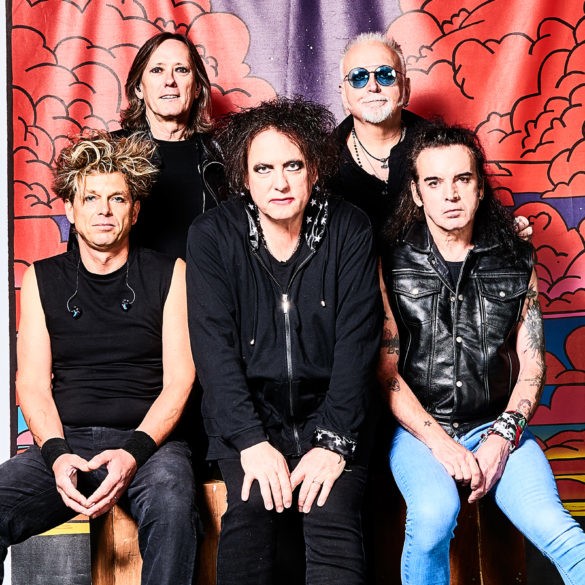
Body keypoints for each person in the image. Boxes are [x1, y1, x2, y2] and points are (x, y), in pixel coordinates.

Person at [378, 121, 585, 585]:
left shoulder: (516, 256)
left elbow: (533, 363)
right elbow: (386, 372)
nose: (450, 194)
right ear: (416, 193)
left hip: (496, 423)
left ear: (479, 187)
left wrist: (501, 438)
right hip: (419, 431)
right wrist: (441, 444)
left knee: (557, 529)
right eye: (434, 182)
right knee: (433, 516)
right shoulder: (390, 259)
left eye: (462, 179)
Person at [186, 96, 382, 585]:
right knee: (250, 514)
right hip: (249, 418)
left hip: (333, 415)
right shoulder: (212, 235)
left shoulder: (350, 227)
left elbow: (358, 346)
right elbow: (213, 352)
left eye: (293, 165)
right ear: (244, 177)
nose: (280, 182)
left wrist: (333, 442)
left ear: (313, 169)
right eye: (264, 168)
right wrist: (251, 442)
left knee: (333, 517)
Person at [0, 132, 198, 585]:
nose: (104, 210)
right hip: (66, 441)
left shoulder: (171, 273)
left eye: (117, 198)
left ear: (135, 210)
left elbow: (180, 380)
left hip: (150, 443)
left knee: (173, 507)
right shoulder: (42, 278)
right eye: (90, 198)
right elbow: (32, 383)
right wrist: (56, 455)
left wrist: (133, 453)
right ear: (71, 210)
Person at [331, 31, 532, 242]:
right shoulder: (322, 161)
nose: (373, 86)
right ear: (344, 94)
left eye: (386, 75)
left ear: (406, 88)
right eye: (358, 77)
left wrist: (509, 233)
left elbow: (480, 217)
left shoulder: (443, 146)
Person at [69, 32, 225, 259]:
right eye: (157, 70)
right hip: (130, 282)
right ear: (138, 88)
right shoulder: (107, 152)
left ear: (197, 88)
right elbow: (81, 244)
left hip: (202, 281)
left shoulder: (220, 157)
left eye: (181, 70)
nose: (170, 81)